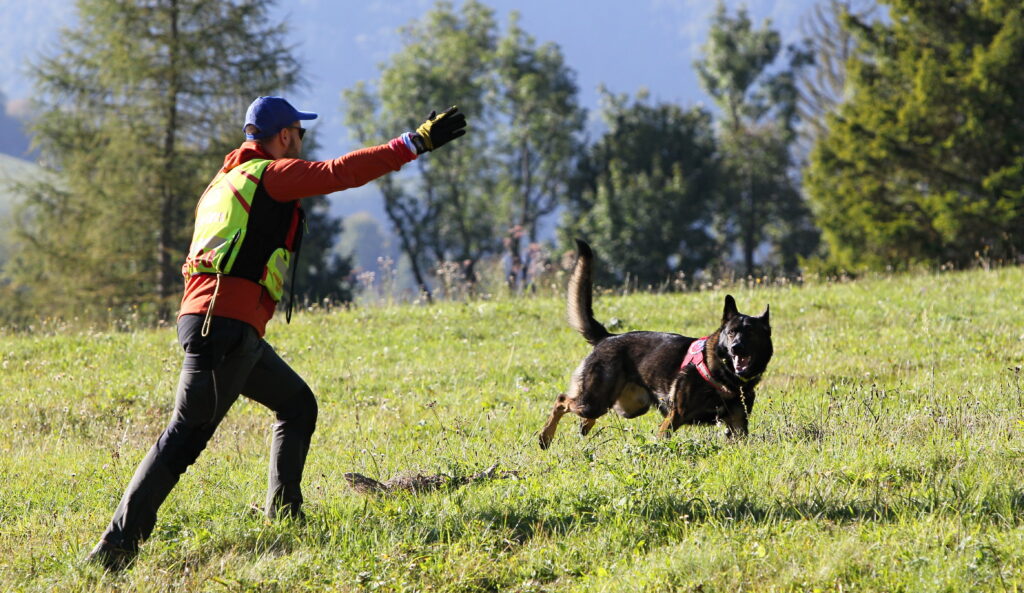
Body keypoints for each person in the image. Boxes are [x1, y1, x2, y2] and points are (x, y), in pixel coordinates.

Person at [87, 96, 466, 571]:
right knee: (183, 438)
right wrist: (414, 142)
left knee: (296, 404)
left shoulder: (223, 183)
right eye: (299, 134)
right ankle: (113, 550)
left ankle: (283, 516)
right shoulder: (270, 174)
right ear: (284, 135)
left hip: (219, 324)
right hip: (223, 325)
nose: (302, 143)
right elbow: (338, 173)